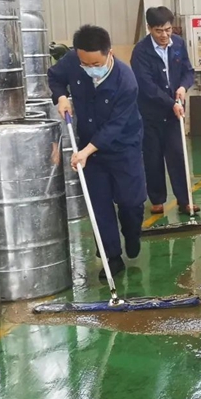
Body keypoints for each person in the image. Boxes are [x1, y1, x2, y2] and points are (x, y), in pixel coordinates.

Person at [48, 25, 147, 279]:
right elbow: (55, 77)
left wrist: (85, 152)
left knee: (131, 202)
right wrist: (61, 97)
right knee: (99, 206)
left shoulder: (126, 81)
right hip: (90, 150)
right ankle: (111, 257)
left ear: (109, 53)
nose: (90, 68)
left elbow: (115, 126)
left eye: (95, 64)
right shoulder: (73, 60)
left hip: (124, 147)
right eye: (84, 63)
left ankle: (132, 233)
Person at [131, 6, 199, 216]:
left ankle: (185, 200)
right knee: (152, 157)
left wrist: (183, 87)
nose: (164, 35)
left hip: (174, 114)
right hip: (150, 113)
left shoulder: (177, 44)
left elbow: (188, 71)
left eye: (168, 29)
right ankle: (157, 199)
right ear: (149, 28)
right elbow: (147, 86)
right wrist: (171, 103)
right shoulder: (141, 52)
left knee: (178, 154)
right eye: (159, 31)